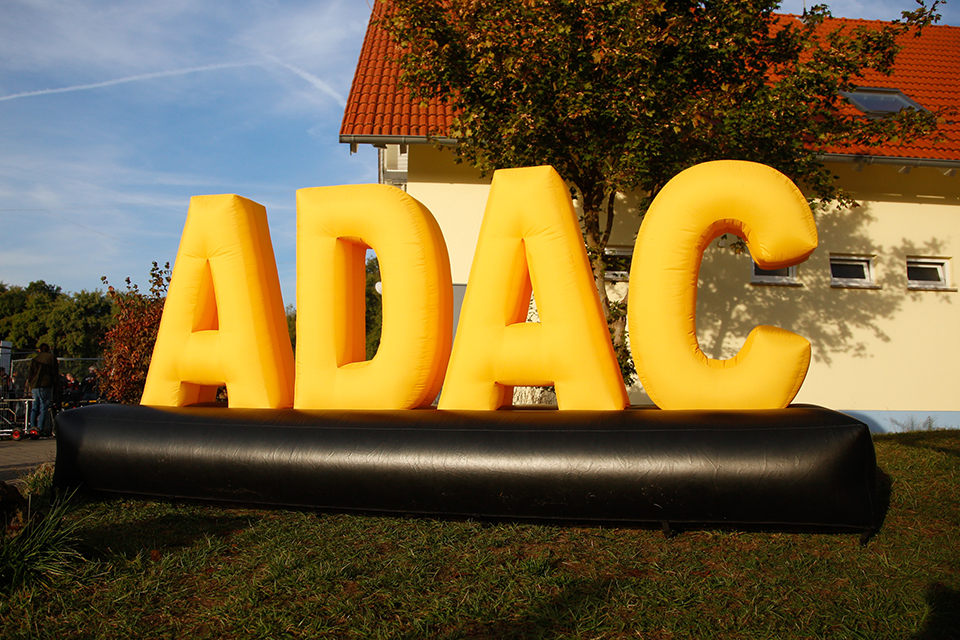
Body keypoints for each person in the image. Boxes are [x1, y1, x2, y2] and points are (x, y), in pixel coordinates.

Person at [26, 343, 59, 437]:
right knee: (44, 407)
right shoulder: (51, 358)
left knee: (34, 407)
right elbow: (54, 372)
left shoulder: (35, 359)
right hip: (46, 384)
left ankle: (32, 428)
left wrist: (31, 383)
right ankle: (40, 429)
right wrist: (56, 384)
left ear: (39, 350)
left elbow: (30, 373)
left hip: (35, 385)